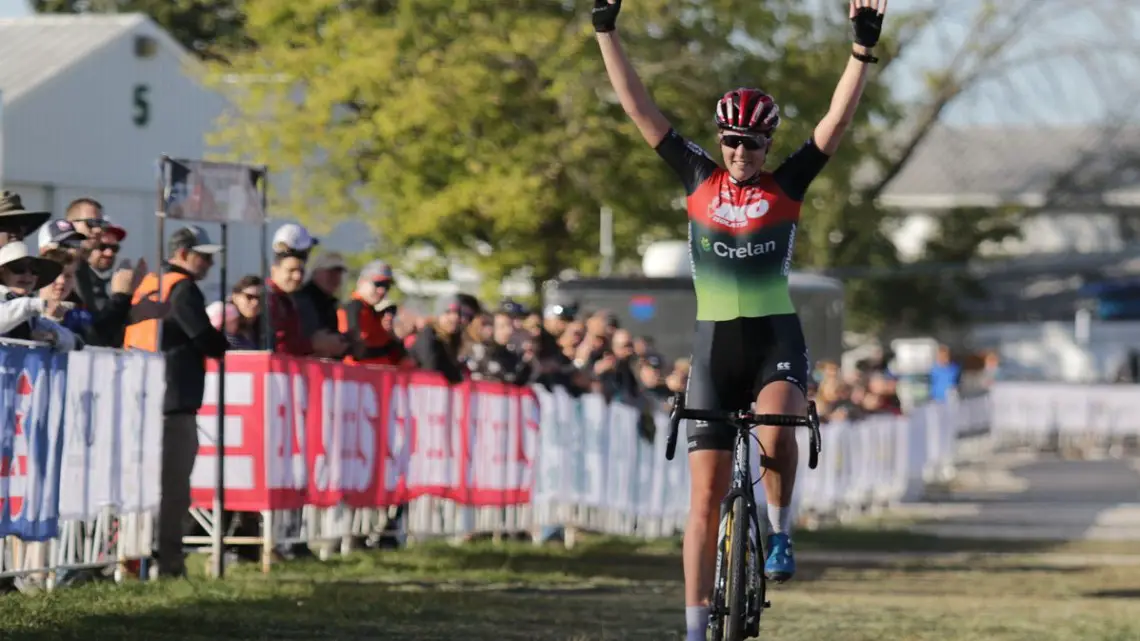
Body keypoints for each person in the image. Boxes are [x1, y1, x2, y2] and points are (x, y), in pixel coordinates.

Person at [592, 0, 888, 636]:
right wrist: (605, 30)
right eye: (731, 140)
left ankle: (780, 534)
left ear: (767, 144)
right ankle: (697, 630)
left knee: (779, 429)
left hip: (774, 338)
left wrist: (860, 51)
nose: (740, 151)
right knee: (702, 499)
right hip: (713, 349)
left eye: (752, 143)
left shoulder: (786, 187)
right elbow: (639, 106)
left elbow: (836, 123)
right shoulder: (696, 177)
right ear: (719, 138)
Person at [122, 225, 229, 578]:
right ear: (182, 254)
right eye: (204, 256)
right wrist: (225, 345)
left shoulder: (152, 282)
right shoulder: (183, 288)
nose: (210, 265)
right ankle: (168, 562)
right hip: (172, 400)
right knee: (173, 490)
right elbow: (203, 336)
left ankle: (133, 558)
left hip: (142, 395)